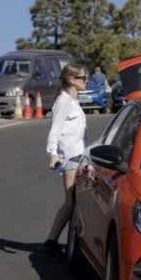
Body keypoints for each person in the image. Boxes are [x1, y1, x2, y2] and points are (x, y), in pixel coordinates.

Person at [43, 63, 88, 255]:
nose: (86, 81)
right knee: (71, 201)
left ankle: (72, 242)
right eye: (83, 78)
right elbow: (55, 129)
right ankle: (51, 242)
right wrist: (53, 153)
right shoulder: (63, 102)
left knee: (76, 201)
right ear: (71, 80)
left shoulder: (73, 101)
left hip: (80, 156)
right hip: (69, 157)